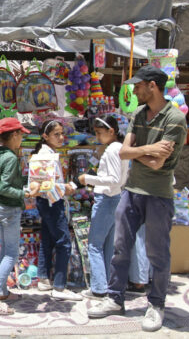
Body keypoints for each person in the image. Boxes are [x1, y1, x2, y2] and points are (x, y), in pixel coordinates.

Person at [88, 66, 187, 332]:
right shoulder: (139, 114)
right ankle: (114, 298)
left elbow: (156, 164)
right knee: (121, 248)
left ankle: (156, 304)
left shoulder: (175, 119)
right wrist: (149, 148)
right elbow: (122, 152)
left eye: (138, 85)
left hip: (158, 194)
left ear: (152, 85)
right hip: (131, 191)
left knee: (157, 253)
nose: (133, 90)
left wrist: (138, 152)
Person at [0, 117, 37, 316]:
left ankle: (2, 290)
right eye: (21, 134)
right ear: (14, 135)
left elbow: (6, 180)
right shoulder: (11, 157)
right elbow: (5, 187)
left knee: (5, 250)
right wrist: (25, 193)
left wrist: (27, 180)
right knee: (11, 254)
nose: (22, 138)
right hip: (8, 208)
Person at [77, 115, 129, 299]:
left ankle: (98, 288)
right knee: (106, 245)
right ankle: (105, 283)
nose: (97, 137)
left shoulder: (113, 150)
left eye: (100, 133)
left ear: (111, 132)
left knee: (94, 245)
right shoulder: (116, 148)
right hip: (113, 198)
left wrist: (87, 179)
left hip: (107, 198)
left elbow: (114, 179)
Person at [31, 120, 81, 301]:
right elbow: (48, 185)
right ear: (45, 136)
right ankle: (59, 286)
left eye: (62, 134)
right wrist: (65, 188)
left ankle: (43, 278)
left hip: (47, 202)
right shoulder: (46, 155)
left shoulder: (46, 153)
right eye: (56, 134)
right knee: (63, 242)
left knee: (48, 239)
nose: (61, 138)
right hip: (52, 202)